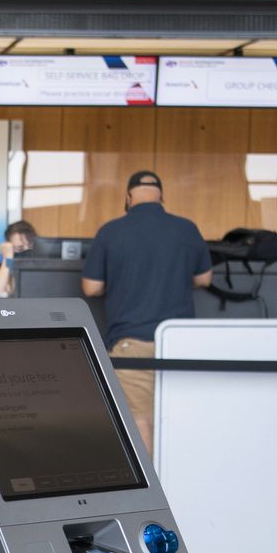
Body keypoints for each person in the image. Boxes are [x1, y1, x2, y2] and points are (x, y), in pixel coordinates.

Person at [80, 171, 212, 452]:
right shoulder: (186, 229)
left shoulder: (110, 231)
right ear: (162, 196)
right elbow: (204, 280)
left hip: (132, 344)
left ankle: (155, 493)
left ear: (128, 197)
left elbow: (91, 288)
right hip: (180, 344)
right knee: (180, 420)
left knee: (140, 422)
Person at [0, 220, 38, 297]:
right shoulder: (3, 267)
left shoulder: (44, 267)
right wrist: (7, 258)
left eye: (30, 246)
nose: (26, 250)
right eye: (20, 248)